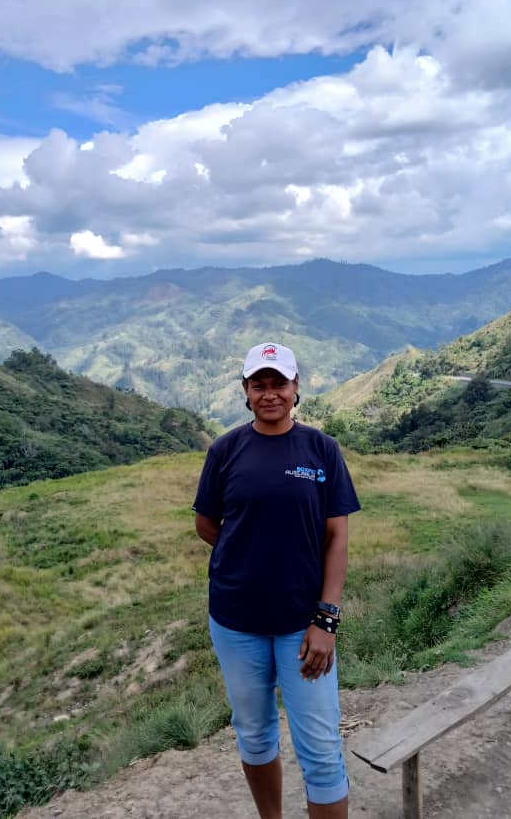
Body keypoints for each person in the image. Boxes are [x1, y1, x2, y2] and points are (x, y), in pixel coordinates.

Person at [193, 340, 361, 818]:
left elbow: (337, 540)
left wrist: (326, 620)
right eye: (258, 385)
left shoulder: (321, 450)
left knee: (322, 750)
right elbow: (207, 523)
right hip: (235, 621)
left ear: (296, 388)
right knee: (254, 732)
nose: (270, 394)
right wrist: (245, 554)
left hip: (302, 625)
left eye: (279, 384)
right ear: (245, 391)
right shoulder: (225, 450)